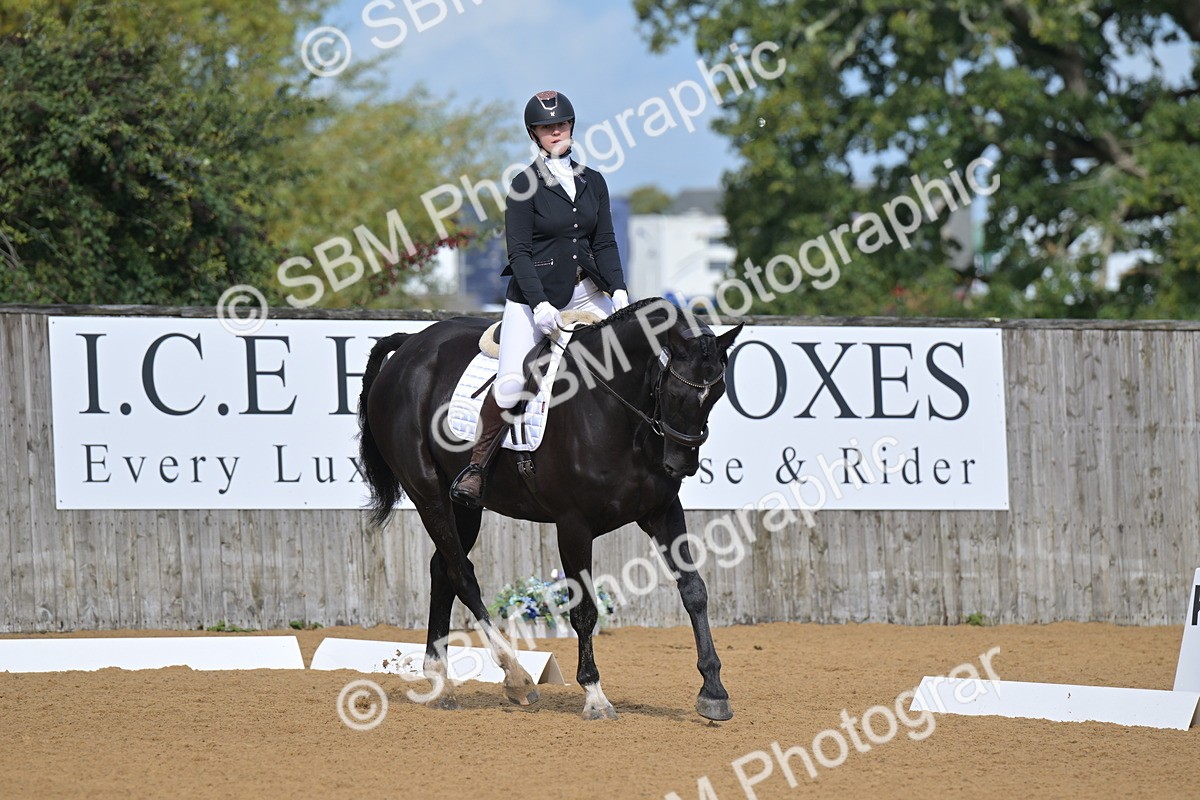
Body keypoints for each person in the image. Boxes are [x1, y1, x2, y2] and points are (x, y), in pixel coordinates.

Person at [450, 90, 629, 507]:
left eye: (561, 124)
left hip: (589, 293)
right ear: (534, 134)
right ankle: (477, 467)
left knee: (637, 355)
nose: (556, 131)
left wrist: (619, 290)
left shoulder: (593, 181)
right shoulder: (523, 185)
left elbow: (604, 241)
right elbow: (520, 253)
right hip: (535, 297)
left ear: (571, 127)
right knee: (512, 384)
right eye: (547, 128)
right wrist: (540, 305)